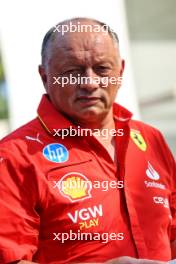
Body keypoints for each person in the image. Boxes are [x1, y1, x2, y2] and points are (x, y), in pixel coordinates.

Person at [0, 17, 175, 264]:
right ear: (45, 76)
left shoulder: (150, 139)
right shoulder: (14, 156)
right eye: (72, 72)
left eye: (102, 69)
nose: (90, 83)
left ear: (120, 71)